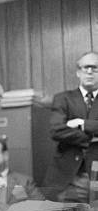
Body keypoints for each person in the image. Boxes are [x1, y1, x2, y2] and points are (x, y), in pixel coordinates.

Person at [44, 51, 98, 202]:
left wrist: (82, 123)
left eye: (95, 68)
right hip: (70, 178)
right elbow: (56, 130)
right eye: (85, 68)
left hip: (96, 174)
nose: (89, 72)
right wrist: (91, 137)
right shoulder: (63, 98)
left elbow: (65, 131)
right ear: (78, 72)